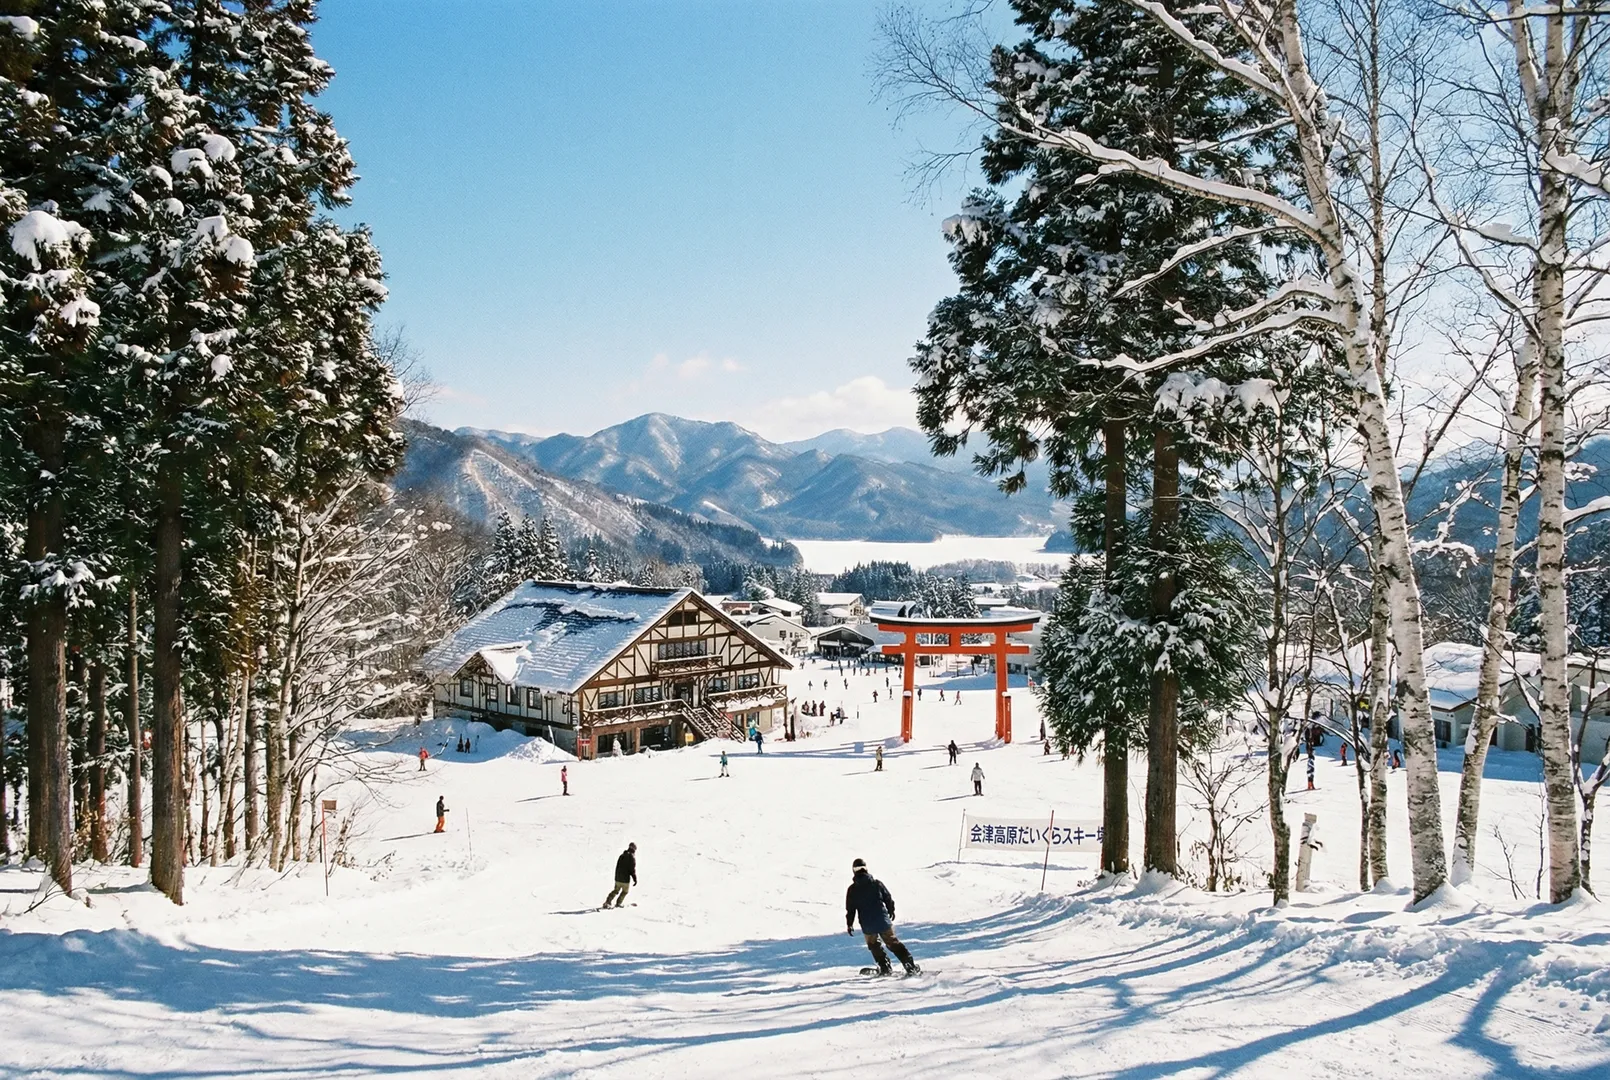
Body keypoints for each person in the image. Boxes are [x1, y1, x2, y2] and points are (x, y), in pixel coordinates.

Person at [845, 858, 919, 976]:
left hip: (867, 924)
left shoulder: (852, 890)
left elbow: (850, 909)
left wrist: (849, 924)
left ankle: (885, 967)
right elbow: (887, 898)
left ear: (854, 871)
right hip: (883, 921)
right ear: (866, 868)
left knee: (874, 945)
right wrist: (891, 910)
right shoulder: (876, 884)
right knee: (893, 943)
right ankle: (910, 966)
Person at [603, 842, 637, 908]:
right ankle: (618, 903)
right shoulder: (632, 857)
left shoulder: (622, 855)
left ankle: (608, 901)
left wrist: (617, 876)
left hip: (618, 878)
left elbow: (618, 866)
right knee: (625, 891)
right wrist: (635, 879)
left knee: (616, 890)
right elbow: (632, 870)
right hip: (625, 879)